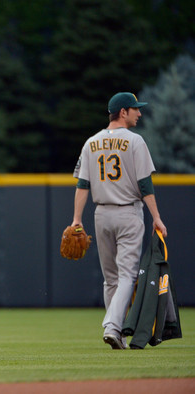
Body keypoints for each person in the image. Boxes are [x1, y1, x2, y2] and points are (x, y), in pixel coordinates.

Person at [70, 92, 167, 350]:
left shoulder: (91, 142)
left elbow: (82, 184)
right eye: (135, 109)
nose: (140, 113)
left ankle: (117, 334)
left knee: (110, 278)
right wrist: (156, 217)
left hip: (101, 214)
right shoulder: (135, 141)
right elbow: (145, 184)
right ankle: (113, 326)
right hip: (128, 213)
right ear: (123, 112)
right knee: (127, 276)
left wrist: (77, 219)